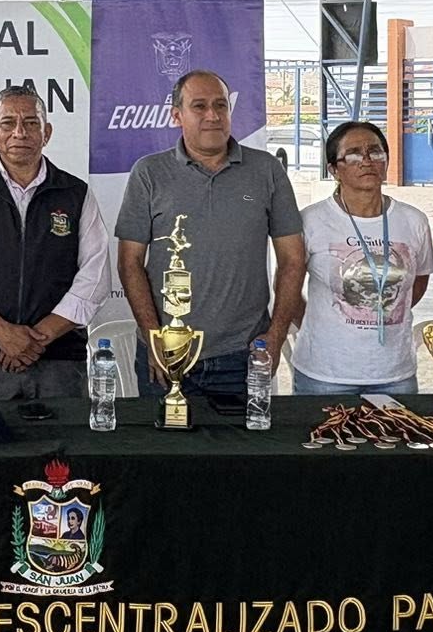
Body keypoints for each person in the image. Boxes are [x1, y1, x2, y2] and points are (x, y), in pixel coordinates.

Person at [116, 70, 305, 401]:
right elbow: (129, 262)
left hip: (243, 355)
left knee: (244, 437)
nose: (213, 115)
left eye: (221, 105)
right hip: (167, 355)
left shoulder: (266, 170)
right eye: (199, 106)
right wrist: (154, 338)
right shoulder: (148, 173)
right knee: (161, 436)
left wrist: (275, 337)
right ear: (177, 115)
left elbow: (292, 260)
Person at [0, 84, 111, 402]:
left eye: (31, 122)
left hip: (59, 364)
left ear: (47, 132)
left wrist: (35, 340)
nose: (19, 132)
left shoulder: (75, 194)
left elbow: (94, 277)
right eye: (8, 123)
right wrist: (2, 334)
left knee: (66, 437)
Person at [291, 121, 433, 396]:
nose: (367, 161)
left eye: (375, 152)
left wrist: (381, 309)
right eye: (354, 154)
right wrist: (317, 325)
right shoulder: (311, 220)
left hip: (395, 373)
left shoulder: (413, 220)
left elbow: (417, 283)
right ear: (334, 169)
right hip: (324, 374)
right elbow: (288, 285)